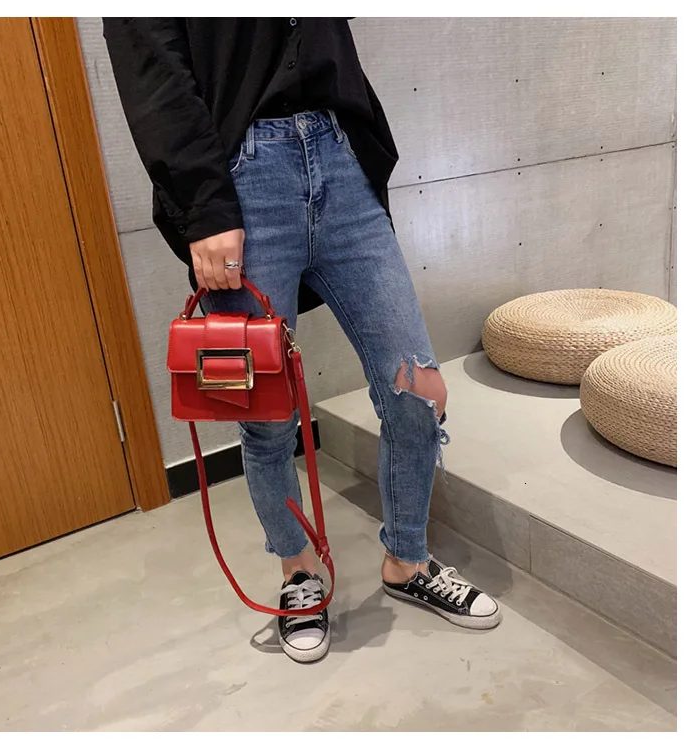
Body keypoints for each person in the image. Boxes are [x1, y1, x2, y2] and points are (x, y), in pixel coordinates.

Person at [104, 17, 501, 664]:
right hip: (243, 177)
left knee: (419, 387)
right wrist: (203, 206)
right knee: (266, 416)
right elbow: (152, 63)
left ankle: (407, 559)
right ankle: (297, 572)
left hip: (338, 157)